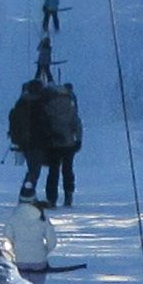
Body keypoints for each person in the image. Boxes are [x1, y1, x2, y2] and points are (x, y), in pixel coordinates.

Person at [7, 193, 60, 284]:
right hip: (38, 262)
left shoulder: (13, 218)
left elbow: (7, 240)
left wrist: (13, 254)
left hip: (19, 262)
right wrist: (43, 252)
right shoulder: (42, 218)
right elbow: (52, 241)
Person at [33, 77, 82, 208]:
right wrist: (78, 139)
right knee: (68, 169)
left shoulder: (46, 103)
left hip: (53, 143)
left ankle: (51, 198)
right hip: (68, 142)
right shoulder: (69, 103)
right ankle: (68, 195)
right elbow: (76, 123)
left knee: (53, 171)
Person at [7, 77, 47, 198]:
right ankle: (27, 193)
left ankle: (27, 192)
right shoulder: (41, 103)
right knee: (35, 168)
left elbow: (13, 119)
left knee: (32, 167)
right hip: (37, 140)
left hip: (23, 140)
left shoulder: (21, 102)